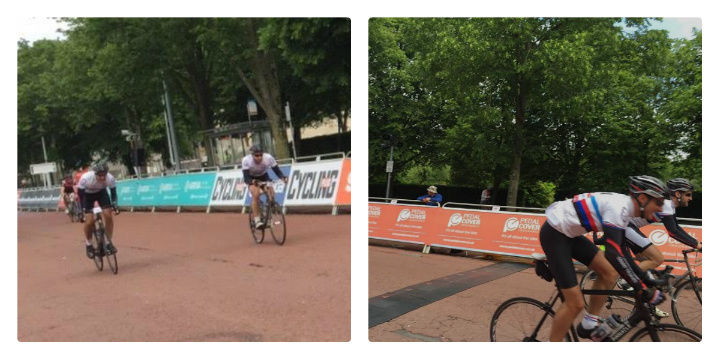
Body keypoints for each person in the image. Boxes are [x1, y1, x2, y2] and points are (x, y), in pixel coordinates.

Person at [539, 175, 668, 341]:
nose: (660, 209)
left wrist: (644, 280)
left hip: (571, 235)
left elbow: (620, 251)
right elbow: (613, 254)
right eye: (658, 203)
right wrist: (641, 288)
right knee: (575, 303)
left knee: (611, 273)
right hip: (555, 234)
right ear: (643, 198)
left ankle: (588, 324)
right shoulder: (618, 208)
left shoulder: (626, 211)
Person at [78, 161, 119, 258]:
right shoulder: (86, 178)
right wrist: (82, 209)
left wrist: (114, 205)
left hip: (101, 193)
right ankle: (89, 244)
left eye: (104, 175)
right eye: (99, 175)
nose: (102, 177)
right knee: (89, 222)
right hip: (87, 196)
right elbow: (80, 195)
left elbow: (113, 193)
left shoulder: (110, 178)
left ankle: (108, 243)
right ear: (95, 173)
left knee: (108, 216)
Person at [242, 145, 288, 229]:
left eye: (260, 155)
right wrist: (252, 182)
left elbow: (277, 171)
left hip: (263, 176)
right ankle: (257, 220)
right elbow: (246, 178)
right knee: (255, 194)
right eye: (256, 155)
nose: (259, 157)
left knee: (271, 193)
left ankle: (267, 211)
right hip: (252, 178)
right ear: (252, 155)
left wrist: (283, 177)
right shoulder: (246, 160)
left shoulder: (268, 158)